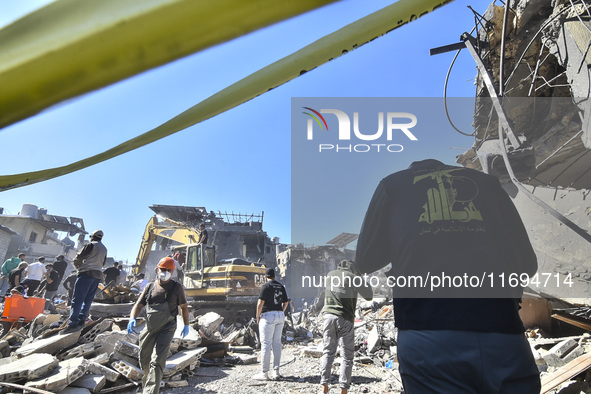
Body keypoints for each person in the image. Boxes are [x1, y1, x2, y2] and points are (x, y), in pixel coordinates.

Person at [355, 159, 540, 393]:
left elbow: (365, 260)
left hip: (427, 333)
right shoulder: (488, 184)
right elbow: (527, 264)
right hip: (501, 329)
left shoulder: (391, 185)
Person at [127, 257, 190, 394]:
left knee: (157, 362)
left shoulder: (176, 287)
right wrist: (132, 318)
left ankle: (151, 392)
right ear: (157, 269)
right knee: (144, 360)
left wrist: (186, 325)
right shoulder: (150, 287)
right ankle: (147, 386)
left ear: (172, 272)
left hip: (167, 328)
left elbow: (184, 307)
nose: (165, 272)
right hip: (149, 328)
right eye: (163, 269)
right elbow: (138, 305)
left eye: (168, 270)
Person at [320, 260, 373, 394]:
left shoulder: (330, 274)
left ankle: (324, 388)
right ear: (354, 269)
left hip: (328, 317)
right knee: (347, 357)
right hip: (345, 319)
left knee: (328, 352)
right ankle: (343, 390)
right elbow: (369, 296)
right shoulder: (353, 277)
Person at [61, 230, 107, 334]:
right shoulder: (104, 248)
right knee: (88, 300)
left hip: (86, 273)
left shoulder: (90, 245)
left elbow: (78, 257)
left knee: (77, 299)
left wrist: (77, 265)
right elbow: (102, 263)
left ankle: (73, 324)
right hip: (97, 275)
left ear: (93, 237)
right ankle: (82, 321)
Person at [253, 268, 289, 381]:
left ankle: (264, 374)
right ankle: (276, 372)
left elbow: (260, 303)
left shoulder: (265, 286)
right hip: (280, 315)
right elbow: (286, 302)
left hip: (268, 316)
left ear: (266, 276)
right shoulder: (280, 286)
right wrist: (281, 312)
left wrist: (257, 316)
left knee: (266, 344)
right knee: (277, 343)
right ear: (274, 276)